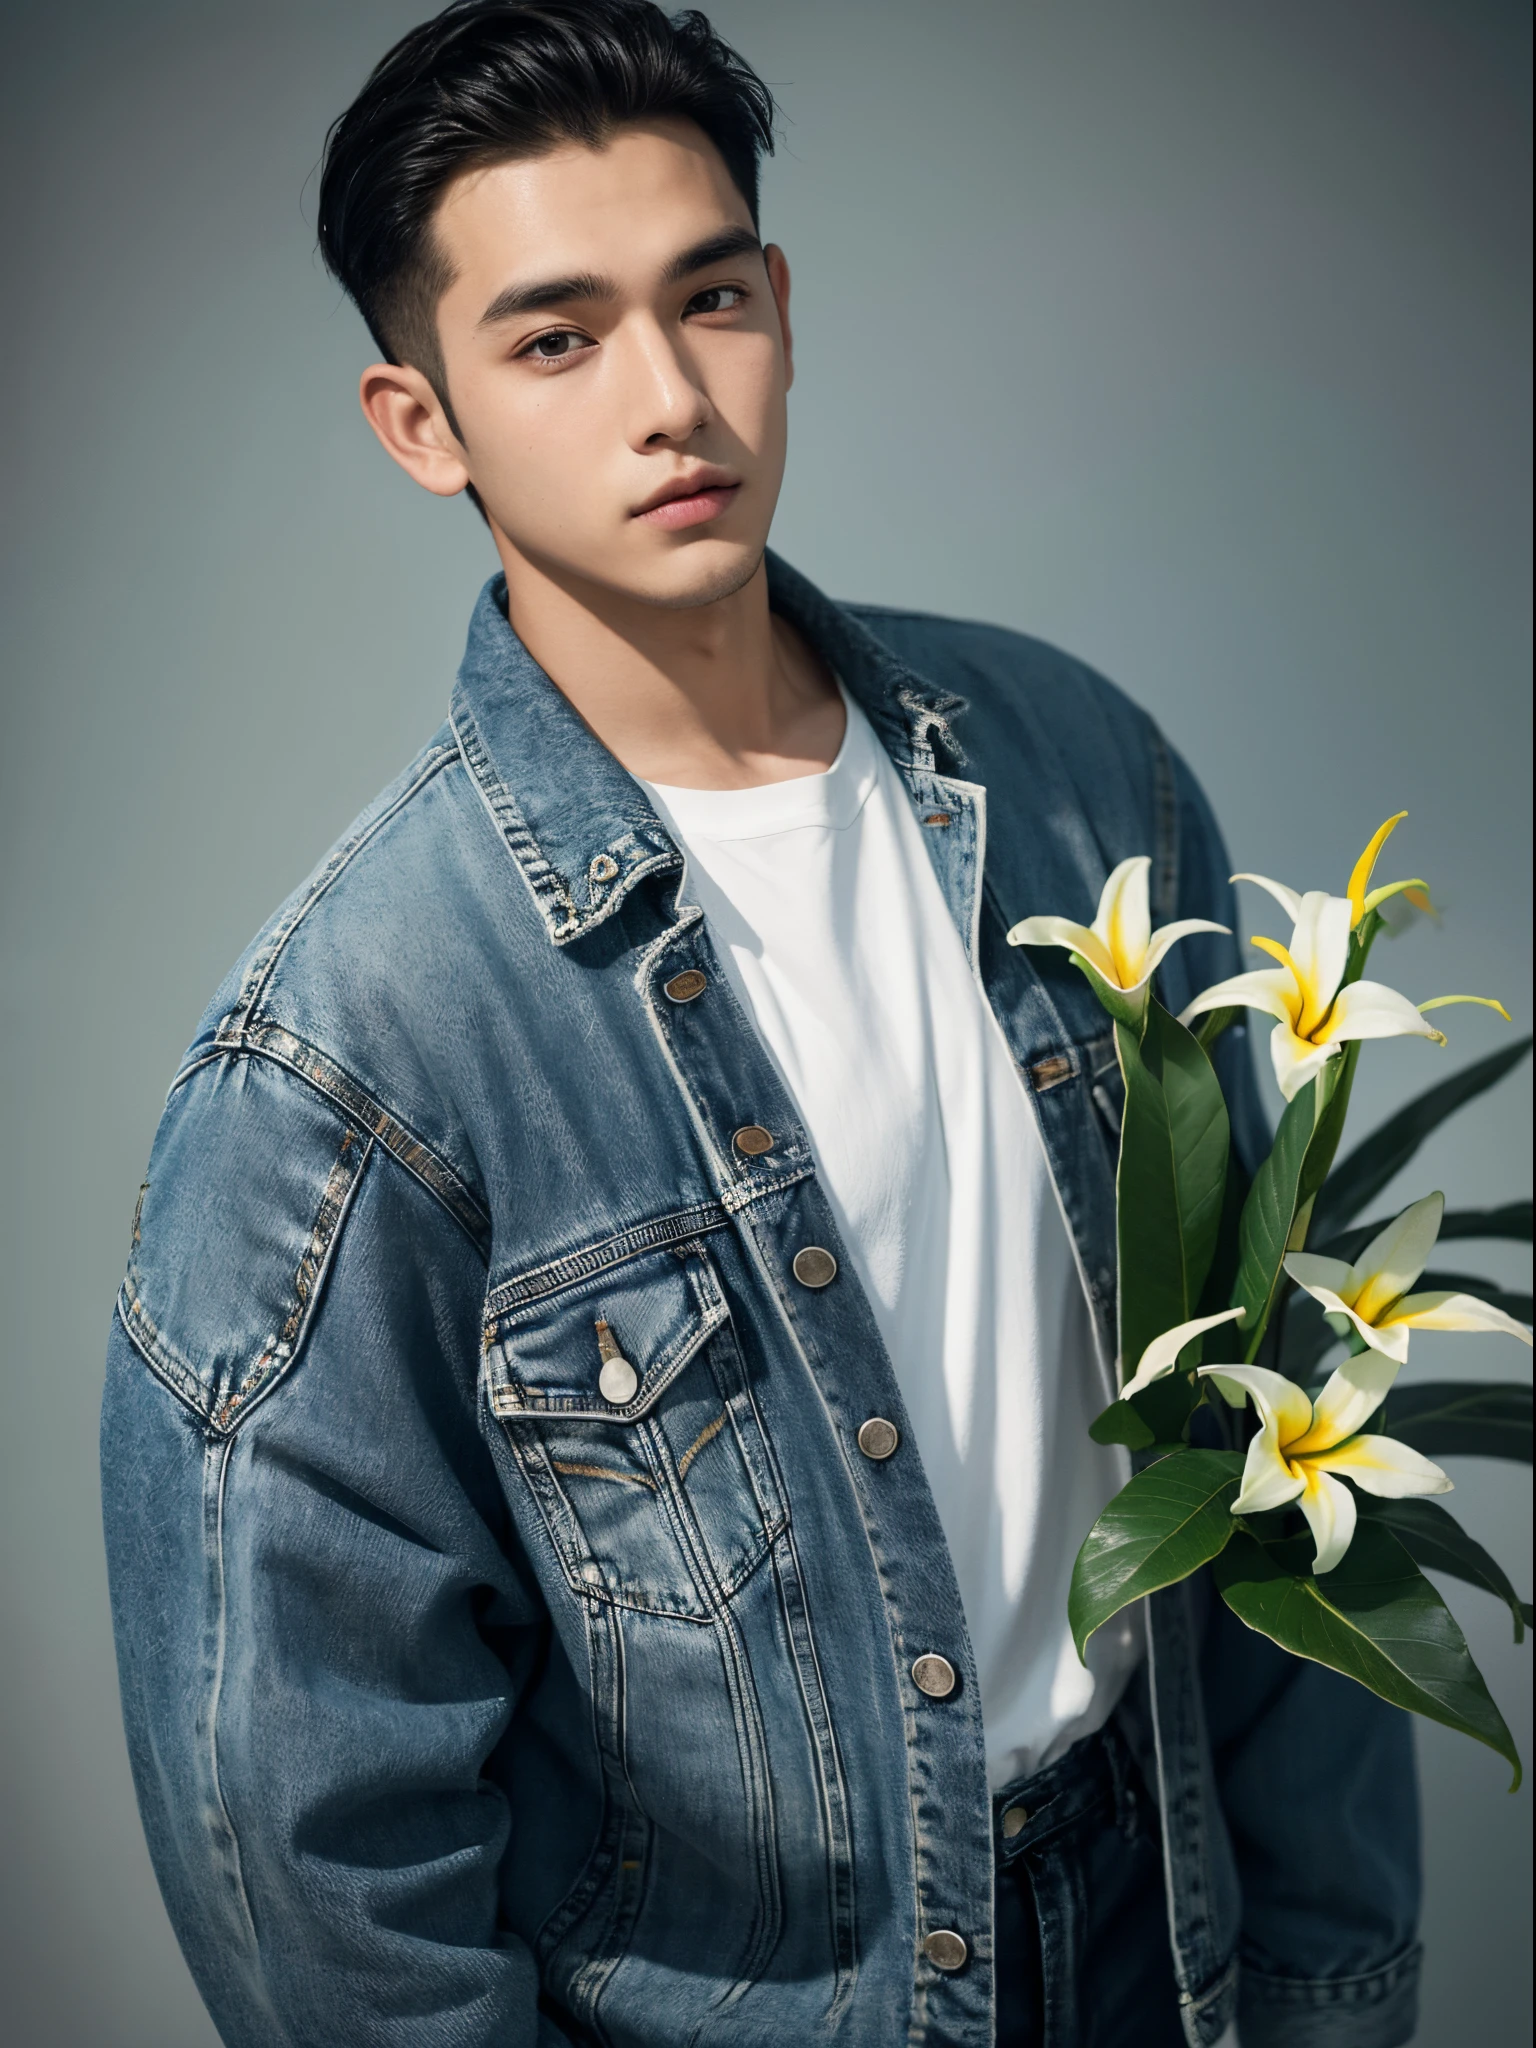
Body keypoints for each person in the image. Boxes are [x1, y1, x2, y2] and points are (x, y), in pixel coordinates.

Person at [100, 6, 1422, 2044]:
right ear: (420, 420)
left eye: (708, 298)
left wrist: (1335, 1985)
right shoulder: (348, 1057)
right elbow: (316, 1844)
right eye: (554, 338)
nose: (668, 399)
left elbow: (1274, 1457)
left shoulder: (1082, 779)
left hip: (1169, 1940)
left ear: (780, 308)